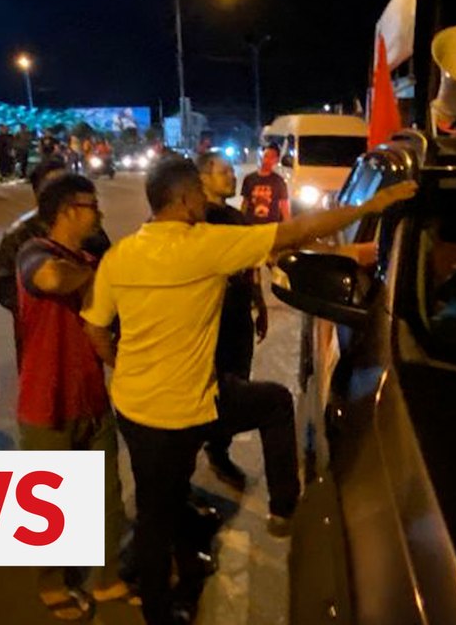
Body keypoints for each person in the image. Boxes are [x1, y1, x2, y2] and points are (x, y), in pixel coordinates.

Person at [80, 158, 416, 625]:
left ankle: (181, 570)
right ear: (181, 200)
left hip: (135, 407)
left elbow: (95, 329)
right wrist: (374, 204)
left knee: (163, 499)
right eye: (198, 190)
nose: (205, 198)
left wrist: (129, 365)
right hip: (184, 409)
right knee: (264, 414)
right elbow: (295, 232)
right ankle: (171, 600)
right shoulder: (203, 245)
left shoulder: (121, 255)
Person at [16, 174, 133, 618]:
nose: (98, 213)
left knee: (108, 495)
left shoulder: (88, 257)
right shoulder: (35, 252)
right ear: (66, 210)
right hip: (47, 401)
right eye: (91, 205)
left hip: (90, 395)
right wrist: (96, 274)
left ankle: (106, 579)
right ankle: (51, 584)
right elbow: (50, 279)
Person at [195, 153, 297, 511]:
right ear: (202, 179)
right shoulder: (199, 221)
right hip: (211, 321)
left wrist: (259, 303)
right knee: (217, 388)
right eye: (223, 172)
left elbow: (250, 263)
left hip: (238, 314)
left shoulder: (235, 217)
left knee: (238, 378)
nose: (230, 177)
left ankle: (218, 450)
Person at [0, 162, 111, 357]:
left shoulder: (92, 233)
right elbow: (4, 285)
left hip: (85, 344)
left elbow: (108, 269)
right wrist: (44, 304)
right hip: (41, 344)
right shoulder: (22, 235)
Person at [241, 144, 290, 224]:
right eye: (266, 156)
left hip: (271, 227)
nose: (267, 160)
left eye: (272, 157)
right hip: (251, 225)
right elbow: (245, 204)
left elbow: (284, 208)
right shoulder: (249, 179)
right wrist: (241, 222)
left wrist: (288, 227)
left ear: (276, 160)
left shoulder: (279, 181)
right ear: (261, 157)